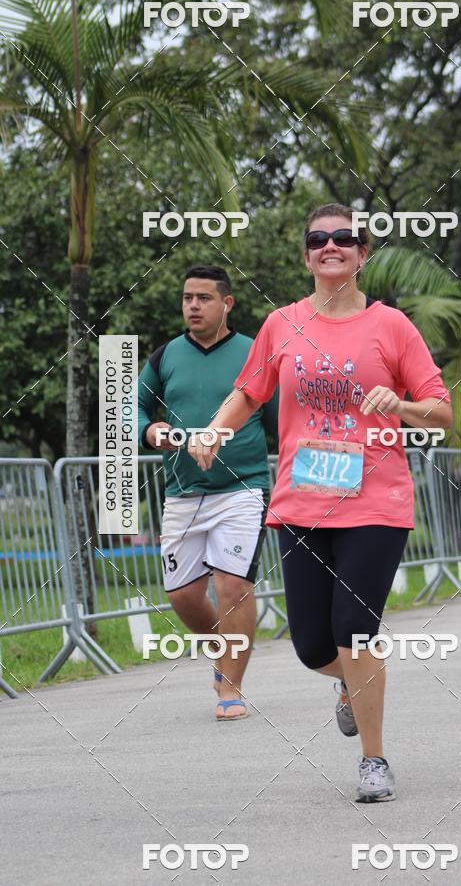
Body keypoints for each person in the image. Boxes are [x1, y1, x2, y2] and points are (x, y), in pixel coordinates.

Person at [188, 205, 452, 799]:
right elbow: (248, 392)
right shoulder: (283, 324)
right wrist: (212, 431)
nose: (330, 246)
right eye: (318, 239)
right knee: (312, 646)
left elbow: (442, 410)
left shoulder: (392, 326)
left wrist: (401, 406)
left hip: (375, 504)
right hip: (302, 503)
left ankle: (374, 761)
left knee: (355, 630)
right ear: (306, 254)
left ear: (363, 253)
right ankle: (352, 684)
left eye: (344, 239)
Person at [138, 265, 277, 720]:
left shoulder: (253, 352)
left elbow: (279, 418)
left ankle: (231, 689)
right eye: (187, 298)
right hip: (181, 492)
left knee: (232, 584)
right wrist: (150, 428)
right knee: (181, 595)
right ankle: (225, 645)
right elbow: (128, 405)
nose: (193, 305)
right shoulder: (165, 356)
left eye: (204, 297)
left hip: (243, 489)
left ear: (227, 303)